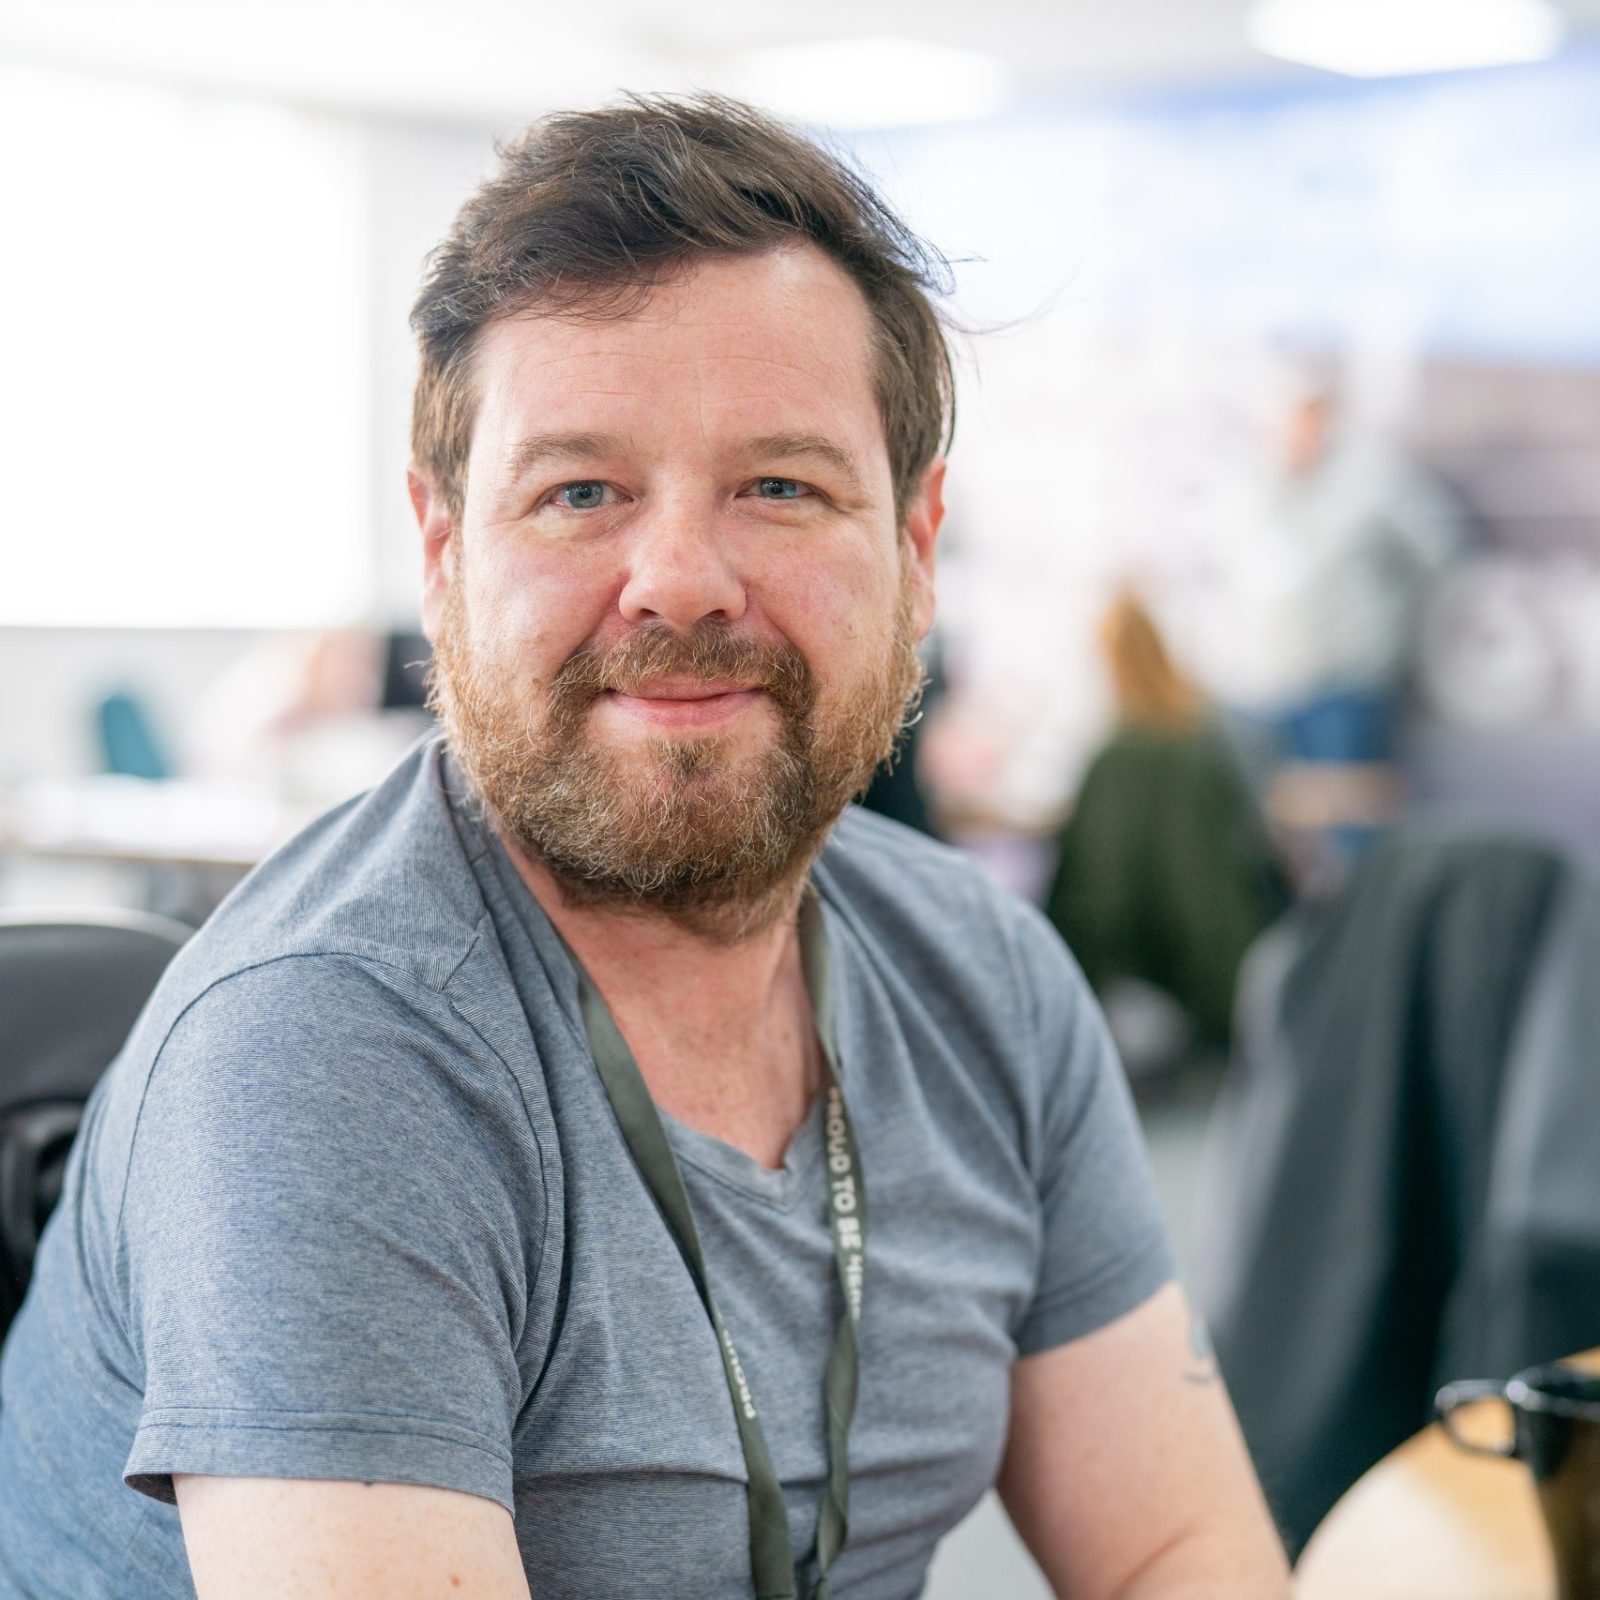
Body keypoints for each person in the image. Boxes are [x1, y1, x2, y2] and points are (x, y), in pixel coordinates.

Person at [0, 97, 1289, 1599]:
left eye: (782, 486)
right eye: (581, 493)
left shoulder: (988, 979)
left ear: (918, 551)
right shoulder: (324, 1052)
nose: (678, 582)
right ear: (443, 555)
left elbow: (1178, 1553)